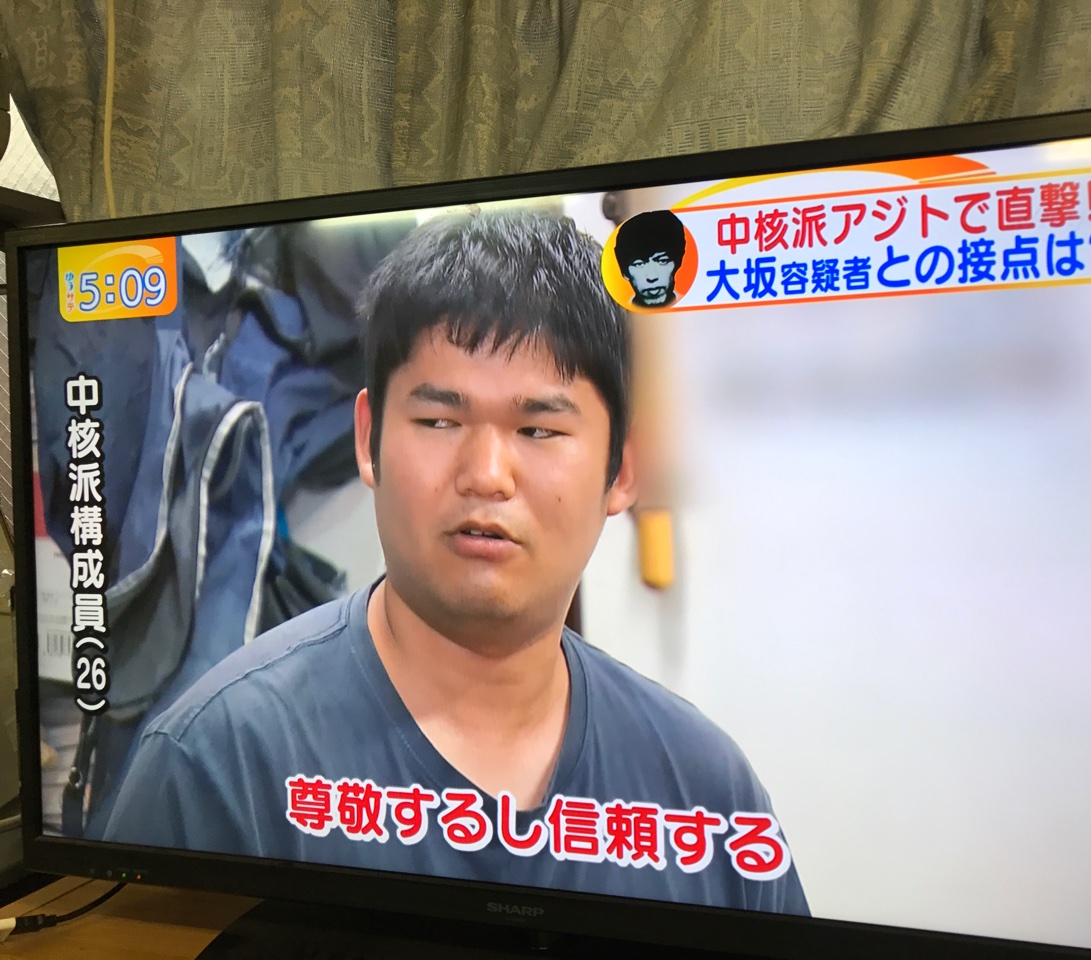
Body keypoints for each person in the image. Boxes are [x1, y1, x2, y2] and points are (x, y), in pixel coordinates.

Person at [103, 209, 808, 916]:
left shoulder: (706, 794)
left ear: (622, 468)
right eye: (440, 421)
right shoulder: (217, 766)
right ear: (369, 440)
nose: (487, 475)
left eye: (539, 429)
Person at [613, 210, 687, 308]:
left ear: (678, 262)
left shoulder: (693, 309)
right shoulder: (615, 314)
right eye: (639, 264)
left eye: (662, 261)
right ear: (624, 271)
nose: (652, 277)